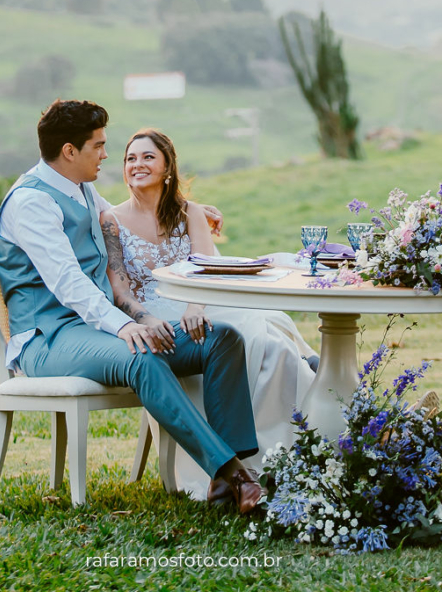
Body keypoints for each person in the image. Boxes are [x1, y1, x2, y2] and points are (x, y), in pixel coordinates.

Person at [0, 98, 266, 513]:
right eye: (98, 146)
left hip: (92, 330)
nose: (106, 155)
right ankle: (236, 477)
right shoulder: (31, 202)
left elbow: (127, 214)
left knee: (221, 338)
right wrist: (122, 325)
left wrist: (192, 210)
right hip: (47, 338)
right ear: (70, 151)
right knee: (142, 356)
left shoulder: (80, 188)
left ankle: (226, 482)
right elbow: (68, 280)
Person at [100, 128, 316, 501]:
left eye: (148, 157)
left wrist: (195, 307)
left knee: (271, 344)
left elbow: (204, 269)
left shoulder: (190, 213)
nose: (138, 164)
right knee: (259, 342)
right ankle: (242, 471)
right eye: (131, 158)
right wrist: (147, 320)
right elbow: (119, 291)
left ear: (167, 166)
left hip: (197, 304)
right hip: (153, 317)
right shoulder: (111, 220)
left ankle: (301, 448)